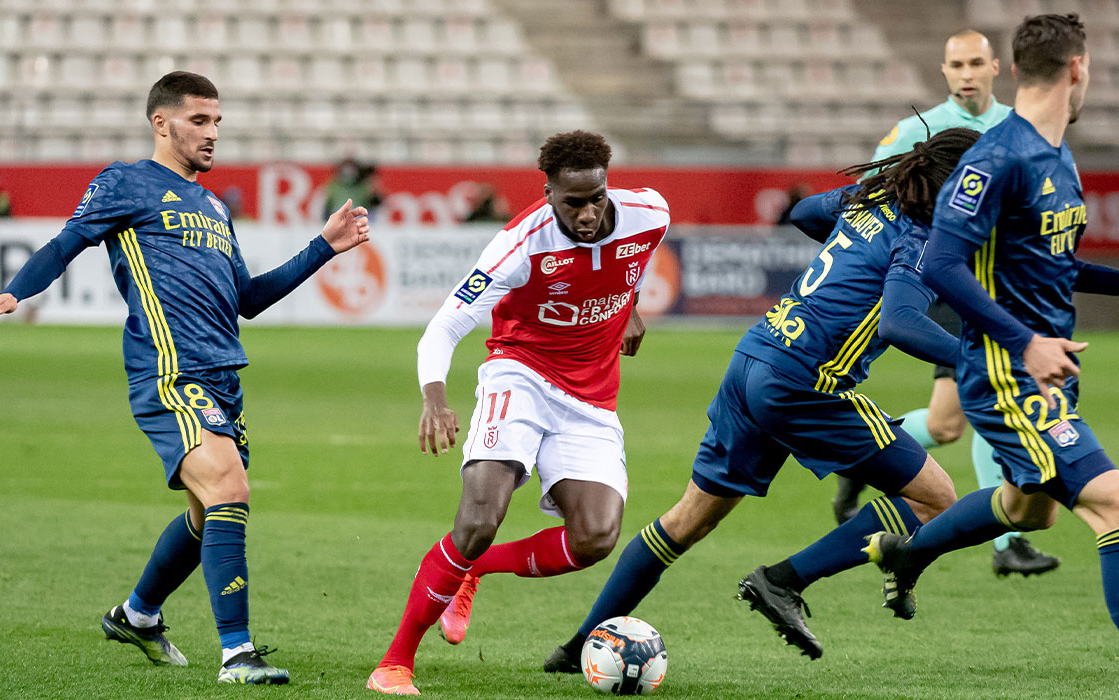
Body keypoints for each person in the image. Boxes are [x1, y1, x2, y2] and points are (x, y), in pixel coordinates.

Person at [543, 127, 983, 671]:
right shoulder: (919, 238)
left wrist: (851, 245)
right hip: (806, 381)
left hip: (755, 356)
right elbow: (900, 321)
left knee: (686, 522)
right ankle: (784, 581)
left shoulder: (871, 199)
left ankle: (573, 649)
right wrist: (980, 357)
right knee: (935, 498)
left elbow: (803, 213)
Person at [0, 72, 371, 685]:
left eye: (218, 121)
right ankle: (237, 654)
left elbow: (248, 299)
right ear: (161, 123)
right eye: (199, 120)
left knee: (205, 515)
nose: (212, 133)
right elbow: (65, 243)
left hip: (224, 378)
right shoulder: (126, 182)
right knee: (229, 487)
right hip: (170, 370)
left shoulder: (215, 206)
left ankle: (137, 615)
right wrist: (14, 292)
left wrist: (321, 248)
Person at [864, 15, 1119, 700]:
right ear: (1077, 70)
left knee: (1023, 508)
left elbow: (1049, 261)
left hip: (1047, 367)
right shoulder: (997, 157)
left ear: (1013, 71)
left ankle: (906, 551)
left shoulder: (1057, 153)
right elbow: (944, 265)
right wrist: (1023, 342)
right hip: (1006, 371)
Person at [366, 130, 669, 696]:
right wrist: (435, 397)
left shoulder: (650, 212)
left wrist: (629, 306)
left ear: (608, 186)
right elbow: (445, 326)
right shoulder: (517, 245)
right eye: (571, 202)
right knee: (480, 519)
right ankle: (394, 663)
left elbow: (634, 261)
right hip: (521, 373)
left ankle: (471, 571)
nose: (586, 213)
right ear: (548, 191)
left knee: (595, 537)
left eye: (596, 198)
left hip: (592, 396)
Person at [832, 28, 1060, 580]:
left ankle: (862, 455)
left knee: (948, 422)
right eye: (955, 64)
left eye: (975, 63)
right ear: (944, 69)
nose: (965, 73)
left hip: (999, 288)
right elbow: (869, 196)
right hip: (944, 282)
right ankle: (1006, 542)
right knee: (989, 400)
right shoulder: (917, 132)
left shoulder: (1018, 129)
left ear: (995, 68)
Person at [322, 157, 382, 222]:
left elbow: (372, 204)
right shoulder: (334, 185)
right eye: (346, 168)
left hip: (359, 217)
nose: (349, 172)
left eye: (351, 168)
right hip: (337, 217)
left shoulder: (363, 186)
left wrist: (373, 192)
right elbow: (327, 204)